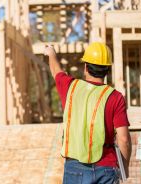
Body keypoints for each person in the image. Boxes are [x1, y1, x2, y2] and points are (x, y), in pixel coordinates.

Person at [44, 42, 132, 184]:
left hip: (75, 168)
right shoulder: (115, 97)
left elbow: (56, 70)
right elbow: (124, 140)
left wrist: (51, 52)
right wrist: (124, 169)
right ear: (107, 70)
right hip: (107, 168)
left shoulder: (70, 88)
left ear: (86, 67)